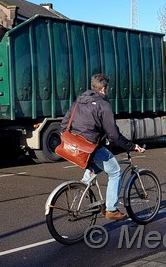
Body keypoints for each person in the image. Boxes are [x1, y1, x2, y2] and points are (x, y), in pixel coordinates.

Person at [60, 74, 145, 220]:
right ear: (104, 89)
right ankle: (111, 209)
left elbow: (64, 124)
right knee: (115, 171)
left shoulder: (79, 100)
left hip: (75, 146)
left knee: (96, 166)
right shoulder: (103, 105)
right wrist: (131, 146)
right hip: (91, 147)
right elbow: (114, 135)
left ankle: (81, 190)